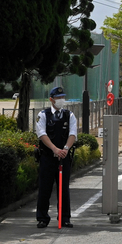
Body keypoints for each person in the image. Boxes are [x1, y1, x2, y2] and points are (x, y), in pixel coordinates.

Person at [35, 86, 77, 228]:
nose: (60, 100)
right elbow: (41, 134)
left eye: (62, 97)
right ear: (51, 99)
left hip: (64, 157)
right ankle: (42, 218)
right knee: (45, 188)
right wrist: (54, 149)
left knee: (63, 188)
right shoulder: (43, 115)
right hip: (47, 157)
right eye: (58, 98)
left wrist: (65, 149)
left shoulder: (69, 115)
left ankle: (64, 218)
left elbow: (73, 134)